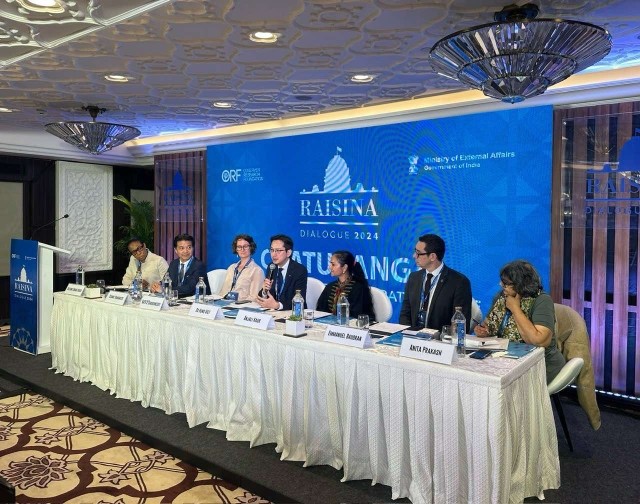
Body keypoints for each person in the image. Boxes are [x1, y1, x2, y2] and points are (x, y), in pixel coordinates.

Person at [475, 260, 565, 383]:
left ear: (520, 284)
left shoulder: (542, 300)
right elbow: (487, 325)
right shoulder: (501, 296)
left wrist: (515, 309)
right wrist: (483, 332)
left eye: (506, 283)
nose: (501, 285)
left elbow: (540, 341)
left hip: (540, 365)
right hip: (504, 359)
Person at [399, 233, 472, 332]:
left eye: (418, 253)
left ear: (432, 256)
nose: (414, 256)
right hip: (412, 337)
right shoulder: (414, 278)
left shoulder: (459, 282)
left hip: (440, 339)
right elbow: (405, 313)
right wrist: (408, 333)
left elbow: (460, 324)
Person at [316, 250, 375, 320]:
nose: (330, 267)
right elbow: (320, 311)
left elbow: (357, 316)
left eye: (333, 264)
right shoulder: (330, 286)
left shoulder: (358, 288)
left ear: (344, 267)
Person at [255, 234, 307, 310]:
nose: (274, 254)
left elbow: (298, 299)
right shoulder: (272, 267)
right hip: (273, 312)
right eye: (272, 250)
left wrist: (277, 305)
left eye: (278, 251)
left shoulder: (299, 270)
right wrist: (264, 291)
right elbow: (264, 297)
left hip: (293, 313)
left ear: (288, 252)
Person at [150, 233, 209, 298]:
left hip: (197, 301)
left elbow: (190, 288)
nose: (185, 251)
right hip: (177, 300)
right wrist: (158, 285)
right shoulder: (173, 264)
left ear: (193, 248)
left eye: (189, 247)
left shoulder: (199, 265)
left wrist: (165, 290)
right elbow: (167, 280)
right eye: (181, 248)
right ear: (176, 250)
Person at [218, 234, 265, 301]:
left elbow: (254, 298)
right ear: (236, 249)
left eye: (245, 246)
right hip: (225, 303)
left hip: (243, 305)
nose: (242, 249)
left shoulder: (257, 271)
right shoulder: (231, 268)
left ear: (251, 247)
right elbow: (223, 292)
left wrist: (237, 304)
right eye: (239, 247)